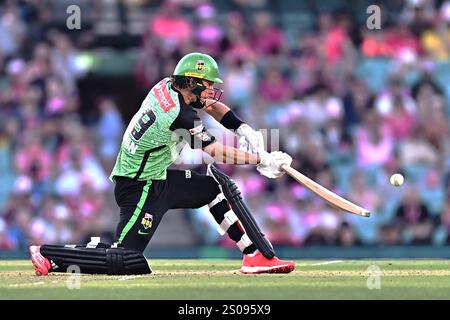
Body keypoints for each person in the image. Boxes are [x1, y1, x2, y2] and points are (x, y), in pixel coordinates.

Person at [29, 53, 295, 276]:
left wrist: (242, 128)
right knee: (127, 259)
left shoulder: (167, 85)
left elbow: (211, 105)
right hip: (138, 187)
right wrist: (261, 159)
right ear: (191, 82)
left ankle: (254, 256)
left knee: (215, 188)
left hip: (156, 178)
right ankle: (49, 252)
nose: (212, 91)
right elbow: (213, 150)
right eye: (207, 84)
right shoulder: (179, 114)